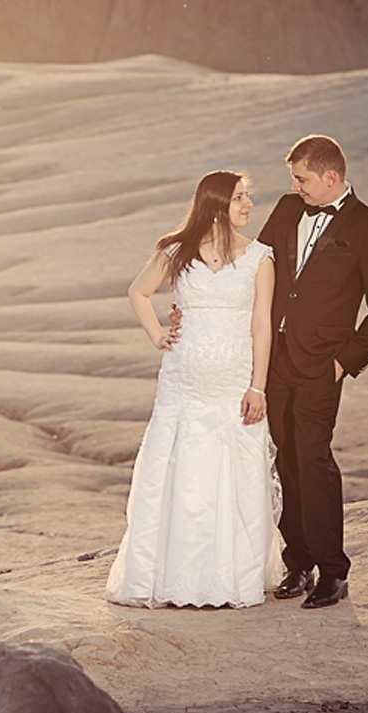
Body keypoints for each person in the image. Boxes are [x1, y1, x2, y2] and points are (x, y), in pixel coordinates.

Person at [106, 170, 282, 609]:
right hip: (182, 384)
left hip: (233, 386)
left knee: (233, 475)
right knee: (177, 472)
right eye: (239, 198)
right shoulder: (176, 251)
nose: (248, 206)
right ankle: (164, 578)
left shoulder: (261, 257)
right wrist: (157, 335)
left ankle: (229, 580)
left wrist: (257, 387)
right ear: (216, 203)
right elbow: (138, 292)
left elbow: (262, 325)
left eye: (247, 197)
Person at [255, 135, 368, 609]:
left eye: (302, 178)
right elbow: (256, 271)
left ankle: (333, 571)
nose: (295, 186)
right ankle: (298, 562)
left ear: (330, 177)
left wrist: (345, 362)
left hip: (323, 366)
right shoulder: (284, 209)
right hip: (274, 359)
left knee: (312, 459)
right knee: (283, 458)